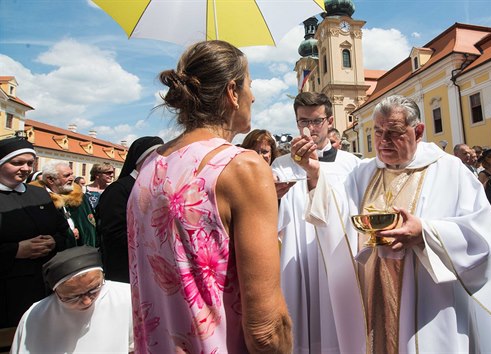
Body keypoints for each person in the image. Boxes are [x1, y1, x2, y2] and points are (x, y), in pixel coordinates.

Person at [292, 95, 491, 353]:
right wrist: (314, 174)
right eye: (378, 132)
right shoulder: (365, 172)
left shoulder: (449, 170)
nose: (383, 141)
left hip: (428, 301)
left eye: (394, 132)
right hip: (375, 293)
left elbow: (483, 235)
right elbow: (336, 214)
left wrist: (426, 232)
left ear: (419, 131)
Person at [127, 40, 292, 352]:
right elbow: (265, 329)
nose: (253, 97)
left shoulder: (149, 167)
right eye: (250, 85)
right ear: (232, 92)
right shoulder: (242, 167)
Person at [271, 92, 360, 353]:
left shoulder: (352, 165)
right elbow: (274, 220)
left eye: (316, 121)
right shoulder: (281, 166)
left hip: (337, 259)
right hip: (295, 260)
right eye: (302, 122)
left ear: (330, 121)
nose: (309, 128)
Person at [0, 137, 69, 329]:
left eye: (30, 163)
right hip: (7, 292)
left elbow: (63, 231)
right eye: (17, 163)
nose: (25, 168)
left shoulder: (39, 193)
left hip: (45, 286)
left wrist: (54, 241)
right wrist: (15, 250)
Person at [10, 246, 133, 353]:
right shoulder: (35, 315)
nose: (86, 301)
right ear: (56, 292)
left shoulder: (127, 297)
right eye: (73, 297)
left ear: (103, 277)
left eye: (93, 290)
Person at [97, 136, 163, 283]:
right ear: (144, 159)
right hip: (124, 270)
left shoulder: (156, 187)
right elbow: (113, 234)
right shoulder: (118, 190)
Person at [31, 160, 97, 248]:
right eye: (67, 175)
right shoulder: (36, 199)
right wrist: (68, 234)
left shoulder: (79, 196)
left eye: (71, 174)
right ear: (50, 179)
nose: (72, 178)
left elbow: (88, 225)